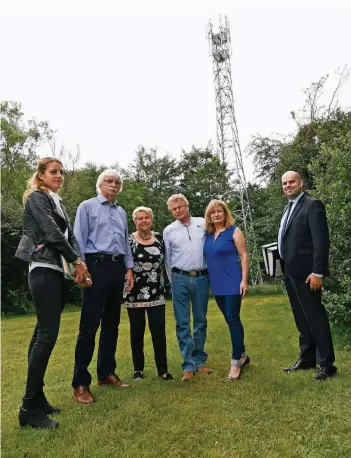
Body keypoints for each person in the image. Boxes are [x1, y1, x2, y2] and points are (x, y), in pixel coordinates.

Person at [15, 157, 90, 429]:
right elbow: (51, 232)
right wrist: (78, 262)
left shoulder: (56, 201)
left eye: (61, 172)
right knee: (46, 336)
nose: (59, 175)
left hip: (56, 272)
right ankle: (28, 408)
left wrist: (79, 265)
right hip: (43, 269)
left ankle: (38, 398)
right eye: (53, 172)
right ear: (41, 175)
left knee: (40, 336)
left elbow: (69, 238)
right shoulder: (37, 197)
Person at [72, 169, 134, 404]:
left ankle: (105, 373)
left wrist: (129, 269)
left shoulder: (121, 212)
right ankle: (80, 382)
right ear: (100, 184)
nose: (113, 184)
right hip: (95, 267)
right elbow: (78, 239)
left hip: (117, 268)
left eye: (117, 182)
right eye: (108, 181)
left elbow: (126, 243)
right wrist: (81, 268)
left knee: (112, 324)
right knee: (89, 326)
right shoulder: (86, 206)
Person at [278, 171, 336, 381]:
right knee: (301, 318)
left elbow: (321, 242)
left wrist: (317, 272)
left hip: (308, 274)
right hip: (291, 273)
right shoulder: (289, 207)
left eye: (291, 182)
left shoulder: (312, 205)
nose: (288, 186)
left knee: (315, 318)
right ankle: (308, 358)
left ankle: (327, 364)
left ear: (301, 183)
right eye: (284, 183)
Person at [163, 194, 212, 382]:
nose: (178, 211)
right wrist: (171, 281)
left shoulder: (202, 223)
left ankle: (199, 360)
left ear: (187, 205)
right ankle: (188, 364)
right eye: (174, 209)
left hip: (201, 277)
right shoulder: (169, 230)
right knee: (182, 322)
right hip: (179, 278)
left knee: (200, 320)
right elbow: (167, 259)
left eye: (180, 207)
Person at [124, 206, 174, 381]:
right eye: (139, 218)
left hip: (156, 292)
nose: (143, 220)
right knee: (136, 332)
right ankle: (138, 370)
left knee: (158, 331)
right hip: (134, 293)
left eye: (146, 217)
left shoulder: (160, 238)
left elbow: (167, 261)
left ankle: (163, 370)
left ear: (151, 219)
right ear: (134, 221)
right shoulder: (128, 240)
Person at [204, 199, 250, 380]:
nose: (216, 214)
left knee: (233, 319)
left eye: (219, 211)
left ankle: (235, 363)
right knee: (230, 320)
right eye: (212, 212)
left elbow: (244, 255)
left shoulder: (234, 231)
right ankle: (243, 355)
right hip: (216, 284)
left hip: (232, 283)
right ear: (209, 215)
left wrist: (244, 280)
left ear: (225, 213)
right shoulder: (207, 235)